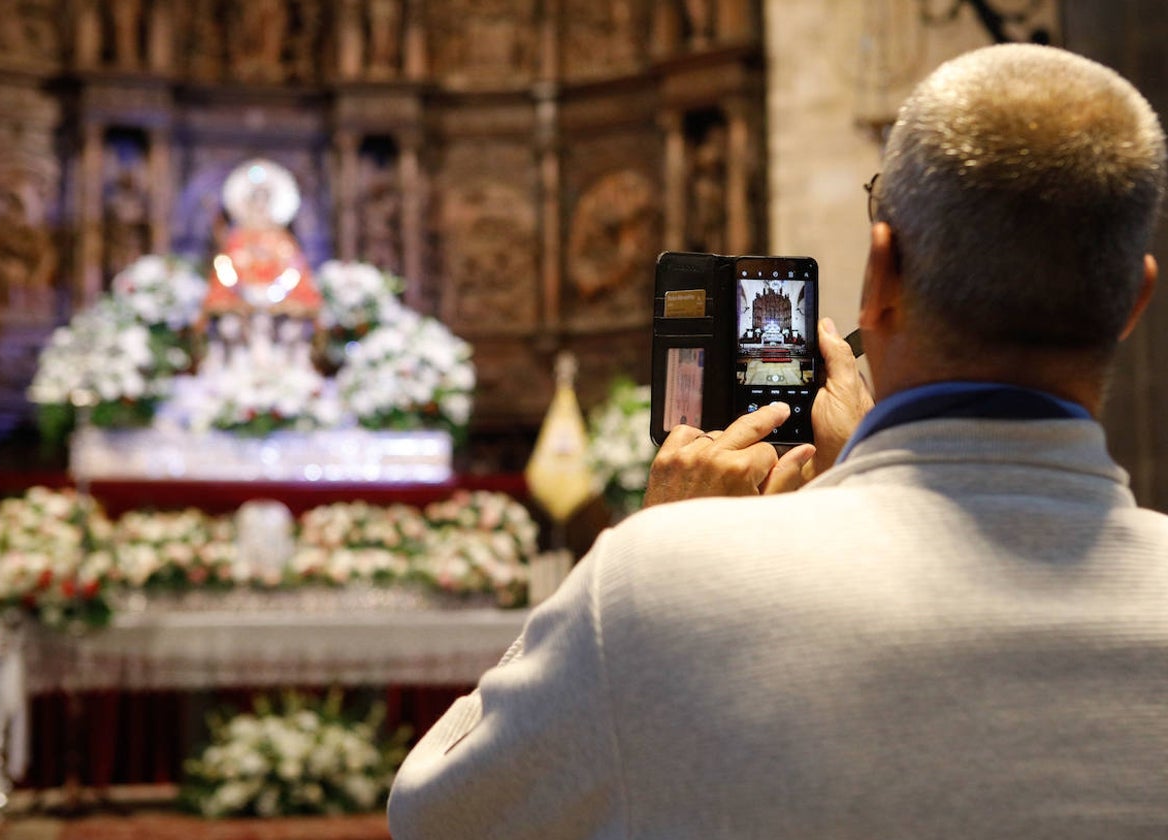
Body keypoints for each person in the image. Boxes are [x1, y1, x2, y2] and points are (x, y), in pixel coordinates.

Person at [387, 43, 1168, 839]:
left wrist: (657, 541)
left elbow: (435, 816)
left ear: (880, 277)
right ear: (1134, 299)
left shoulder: (662, 584)